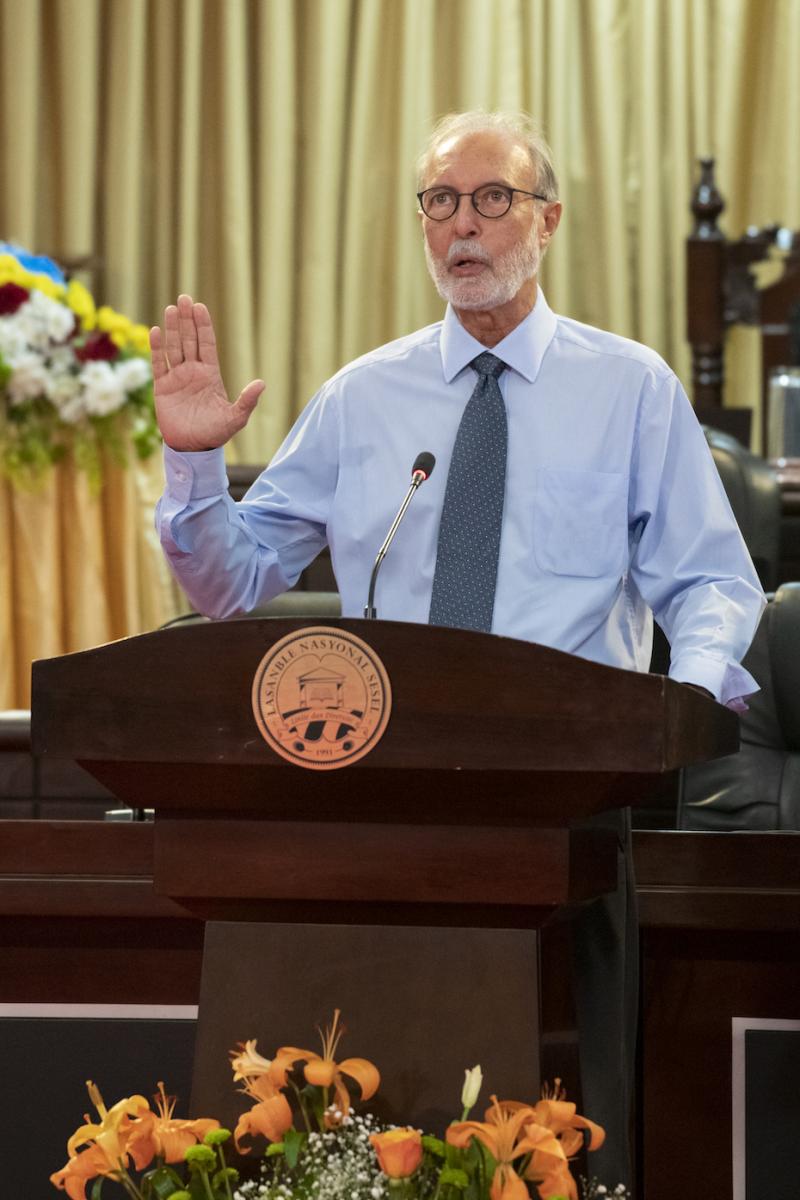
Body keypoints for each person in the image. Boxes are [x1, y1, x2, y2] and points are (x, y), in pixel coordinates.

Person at [151, 110, 765, 1190]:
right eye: (440, 202)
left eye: (491, 200)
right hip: (376, 801)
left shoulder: (626, 389)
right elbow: (230, 582)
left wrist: (673, 714)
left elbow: (711, 581)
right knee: (380, 1104)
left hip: (566, 803)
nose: (462, 228)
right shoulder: (362, 396)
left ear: (547, 220)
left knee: (565, 1133)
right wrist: (196, 468)